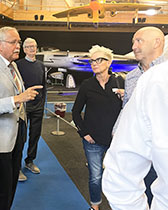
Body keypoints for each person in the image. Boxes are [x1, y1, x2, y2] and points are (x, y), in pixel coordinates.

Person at [0, 27, 42, 210]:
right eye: (14, 42)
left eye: (18, 42)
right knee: (1, 187)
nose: (18, 46)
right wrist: (18, 98)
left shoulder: (14, 65)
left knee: (11, 183)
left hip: (17, 133)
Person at [102, 59, 168, 210]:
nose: (134, 47)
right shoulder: (155, 79)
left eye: (139, 41)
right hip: (131, 134)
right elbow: (121, 173)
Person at [113, 26, 165, 205]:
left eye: (139, 41)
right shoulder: (132, 77)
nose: (134, 46)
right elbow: (127, 107)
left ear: (157, 42)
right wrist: (117, 132)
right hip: (140, 149)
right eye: (133, 42)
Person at [72, 45, 124, 210]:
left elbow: (131, 109)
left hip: (117, 140)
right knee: (95, 176)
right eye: (92, 60)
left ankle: (119, 204)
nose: (94, 63)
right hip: (93, 141)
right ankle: (95, 206)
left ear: (109, 62)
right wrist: (84, 133)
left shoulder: (120, 82)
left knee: (119, 175)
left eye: (98, 60)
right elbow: (75, 112)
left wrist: (126, 97)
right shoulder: (87, 85)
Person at [16, 38, 46, 181]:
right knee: (20, 137)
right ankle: (16, 167)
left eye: (33, 46)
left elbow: (44, 86)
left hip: (38, 107)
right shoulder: (18, 65)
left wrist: (43, 103)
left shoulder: (41, 65)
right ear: (24, 49)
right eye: (28, 46)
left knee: (35, 135)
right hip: (23, 106)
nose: (31, 48)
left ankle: (29, 161)